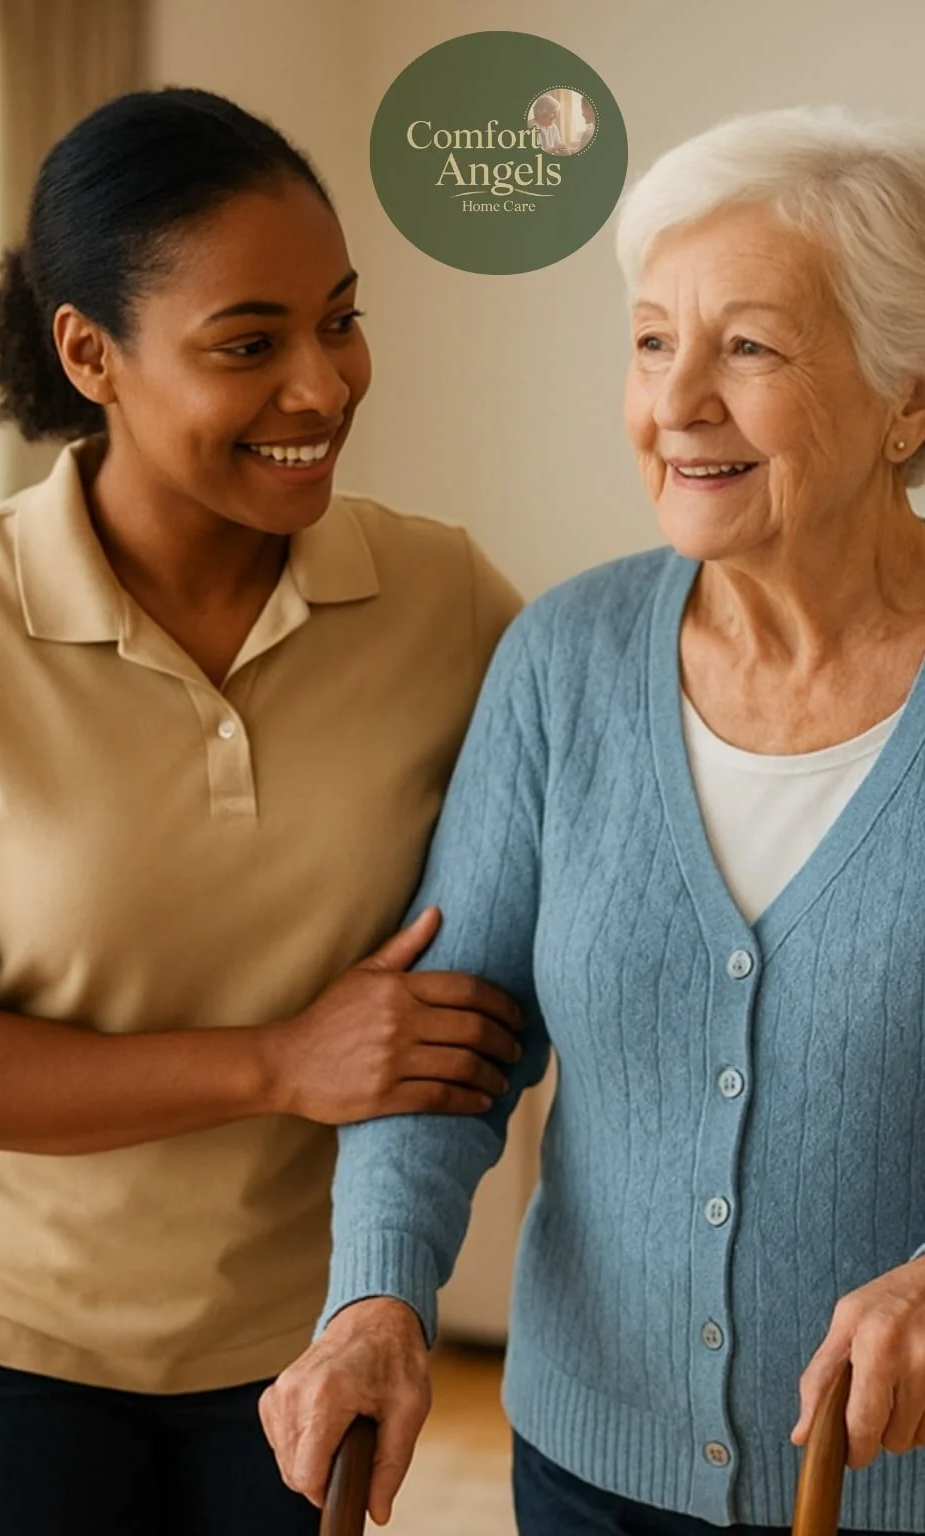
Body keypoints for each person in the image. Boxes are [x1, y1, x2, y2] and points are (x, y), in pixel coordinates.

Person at [262, 105, 925, 1535]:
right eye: (649, 341)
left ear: (909, 398)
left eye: (748, 347)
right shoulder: (565, 662)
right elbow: (450, 1033)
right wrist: (376, 1294)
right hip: (590, 1473)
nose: (676, 400)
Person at [0, 87, 525, 1535]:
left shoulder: (446, 599)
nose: (323, 386)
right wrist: (274, 1063)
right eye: (250, 345)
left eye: (342, 319)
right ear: (90, 355)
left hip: (309, 1354)